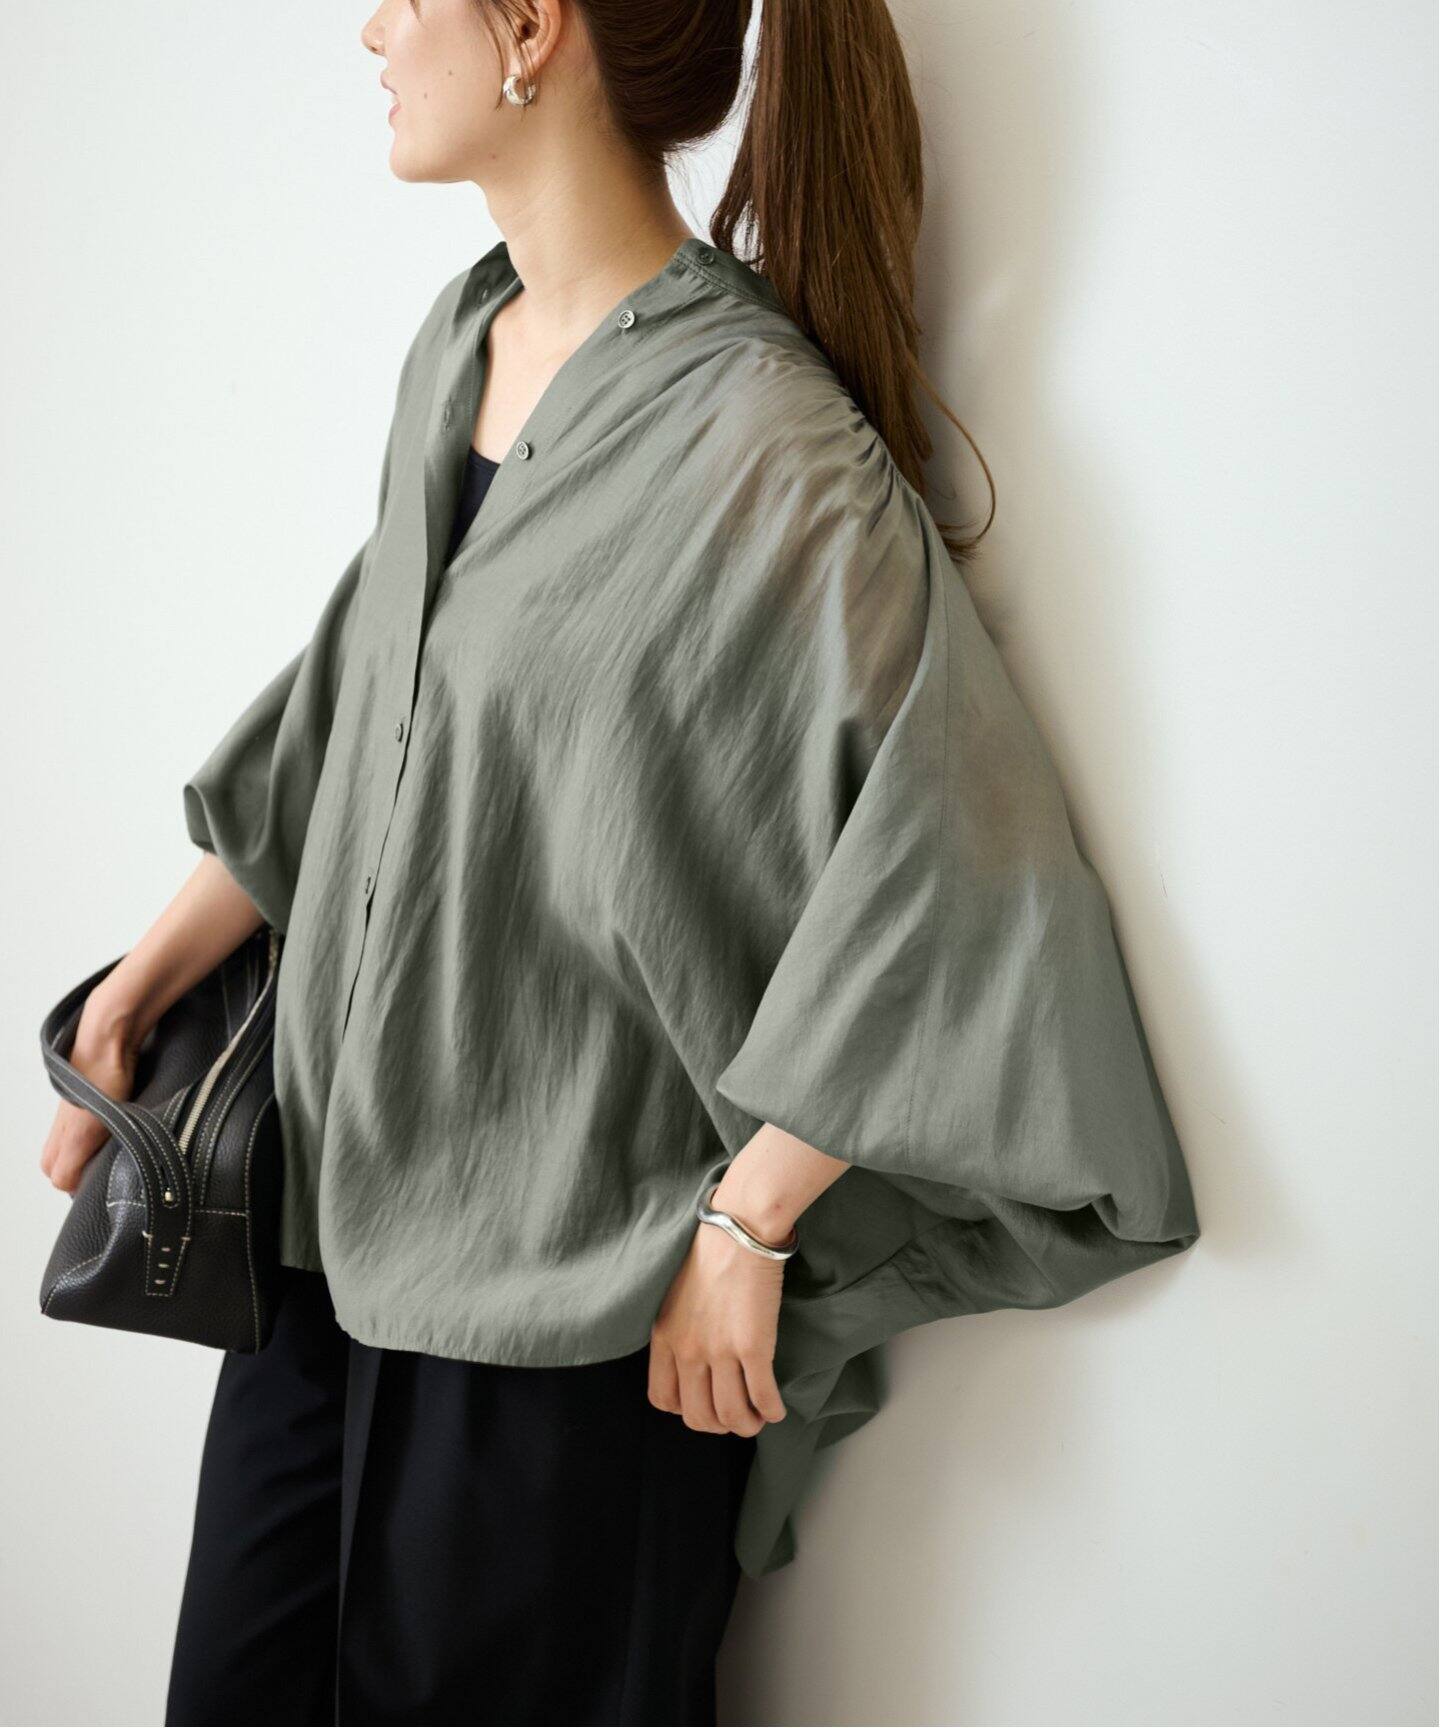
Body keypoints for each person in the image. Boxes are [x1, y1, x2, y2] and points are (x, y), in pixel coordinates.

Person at [38, 0, 1202, 1722]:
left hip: (569, 1323)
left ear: (533, 27)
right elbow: (355, 718)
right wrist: (137, 992)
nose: (373, 29)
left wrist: (752, 1217)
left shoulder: (758, 429)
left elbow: (967, 868)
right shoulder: (463, 341)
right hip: (320, 1263)